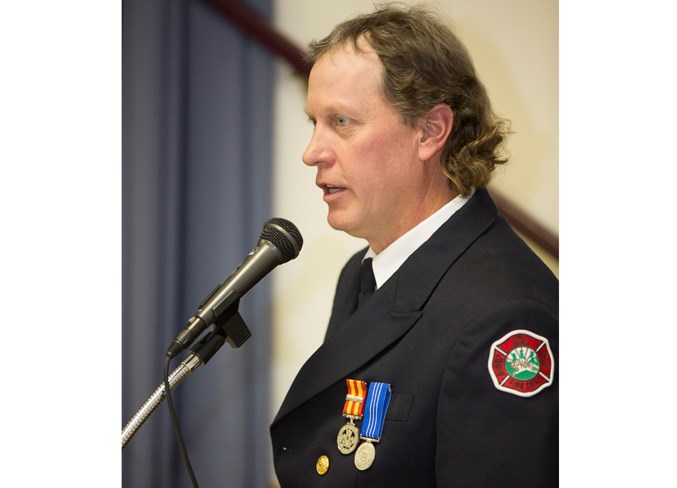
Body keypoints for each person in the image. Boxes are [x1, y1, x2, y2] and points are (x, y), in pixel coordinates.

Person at [270, 4, 558, 487]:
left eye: (341, 122)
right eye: (313, 122)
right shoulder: (364, 273)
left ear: (430, 131)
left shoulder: (505, 316)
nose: (311, 152)